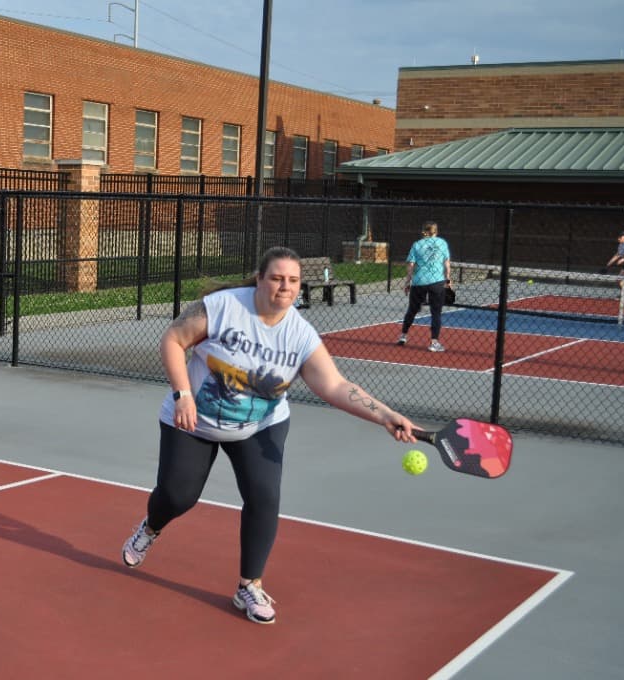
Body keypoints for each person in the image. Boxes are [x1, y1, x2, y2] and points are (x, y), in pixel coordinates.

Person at [120, 246, 419, 625]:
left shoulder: (300, 334)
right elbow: (172, 340)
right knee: (177, 496)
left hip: (260, 426)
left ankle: (249, 585)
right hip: (195, 418)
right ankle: (151, 527)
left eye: (293, 281)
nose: (285, 287)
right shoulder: (222, 307)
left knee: (264, 497)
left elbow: (334, 386)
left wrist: (387, 416)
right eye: (277, 278)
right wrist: (183, 394)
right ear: (260, 279)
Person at [398, 221, 452, 352]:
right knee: (436, 312)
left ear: (423, 231)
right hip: (437, 281)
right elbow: (446, 263)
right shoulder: (442, 243)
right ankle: (434, 342)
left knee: (412, 309)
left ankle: (403, 335)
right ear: (436, 231)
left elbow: (411, 265)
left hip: (419, 281)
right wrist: (448, 279)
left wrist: (408, 281)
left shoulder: (417, 244)